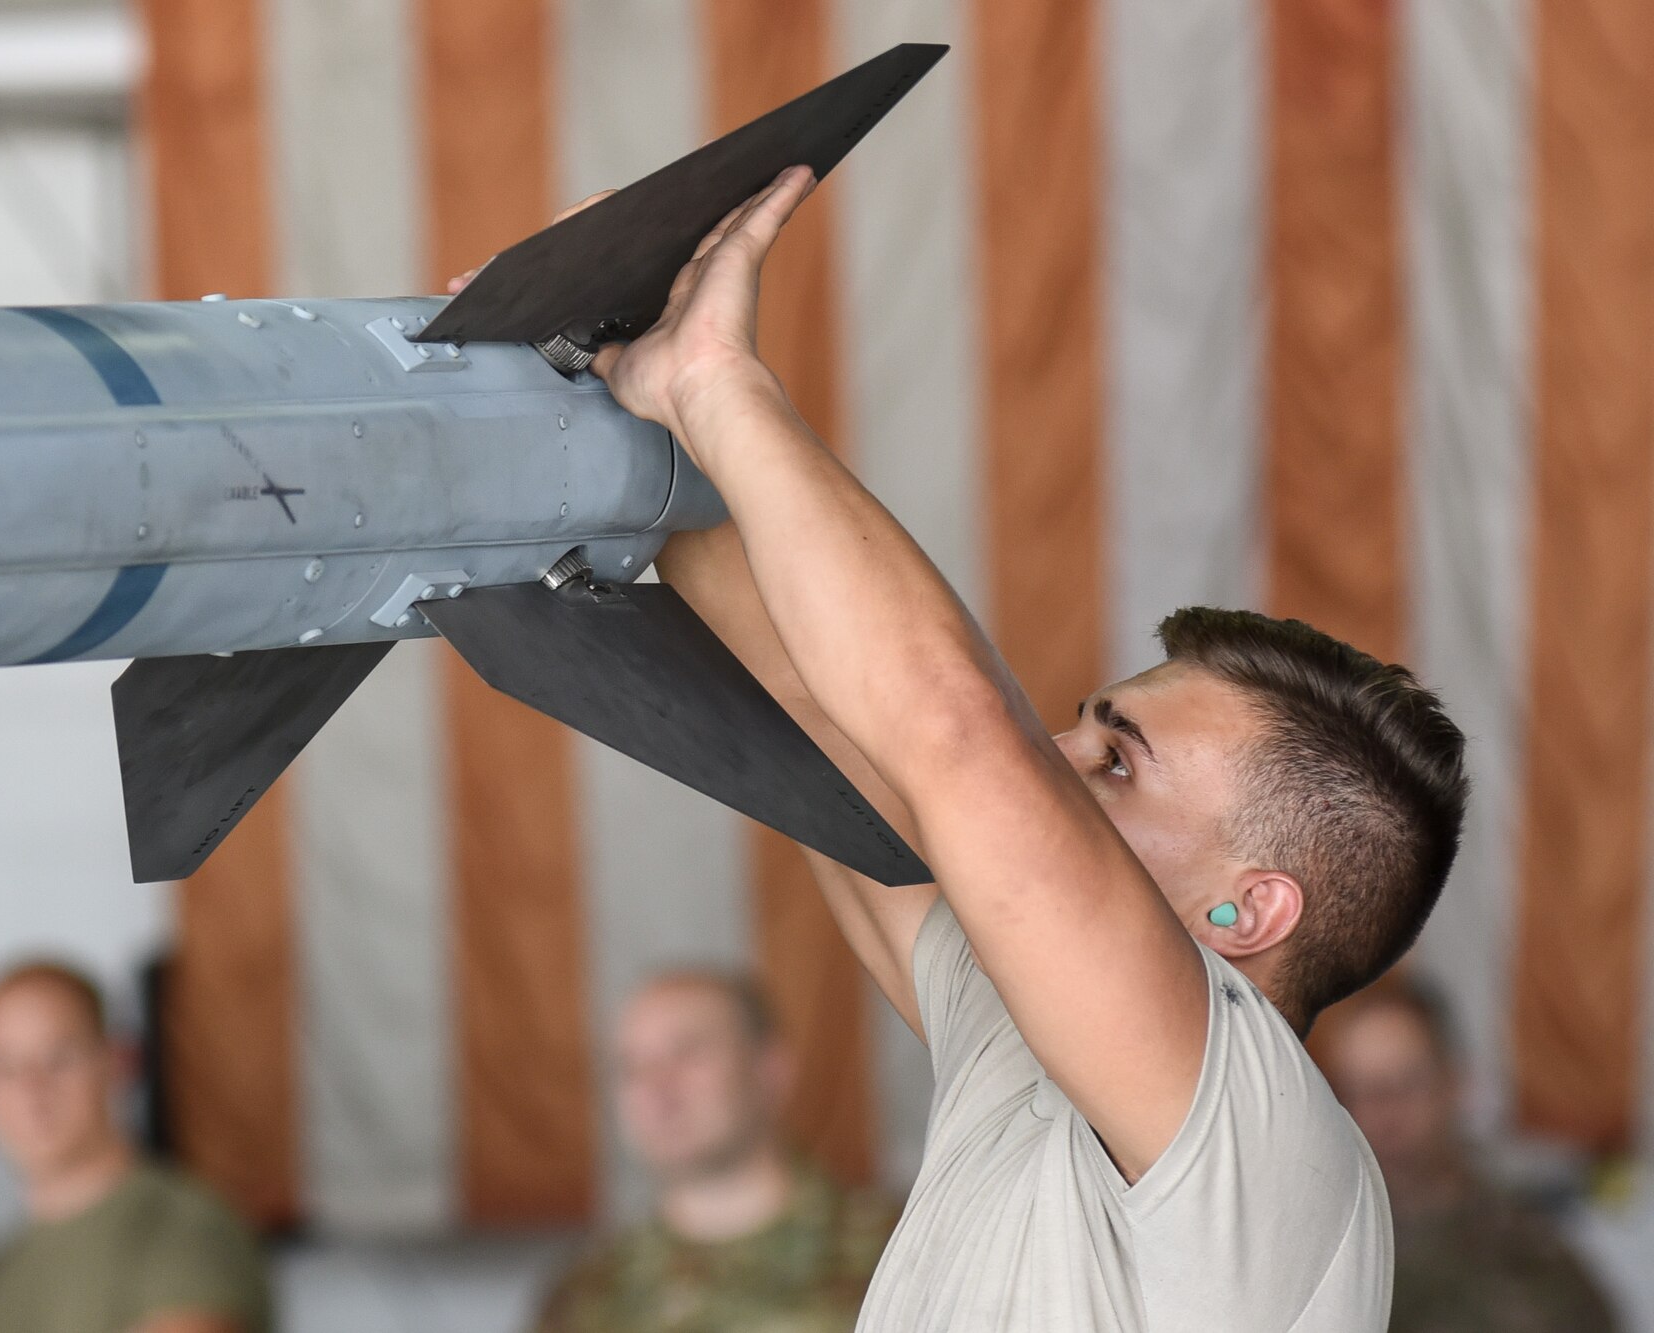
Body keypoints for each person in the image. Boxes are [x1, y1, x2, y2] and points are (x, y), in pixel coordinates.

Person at [454, 167, 1468, 1330]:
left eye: (1117, 759)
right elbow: (804, 706)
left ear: (1244, 913)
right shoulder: (1028, 1044)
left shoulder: (1259, 1133)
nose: (1051, 749)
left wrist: (715, 383)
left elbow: (949, 732)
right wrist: (589, 412)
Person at [534, 971, 898, 1332]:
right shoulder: (586, 1291)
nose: (657, 1088)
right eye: (633, 1066)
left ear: (770, 1070)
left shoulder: (895, 1250)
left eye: (688, 1053)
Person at [0, 960, 271, 1333]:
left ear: (118, 1063)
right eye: (6, 1067)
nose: (32, 1091)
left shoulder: (185, 1233)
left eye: (59, 1059)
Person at [1326, 980, 1617, 1332]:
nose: (1386, 1116)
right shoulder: (1318, 1249)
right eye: (1364, 1092)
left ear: (1453, 1084)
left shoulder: (1529, 1255)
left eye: (1406, 1085)